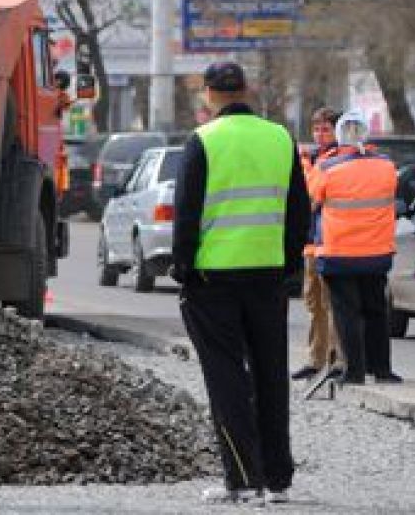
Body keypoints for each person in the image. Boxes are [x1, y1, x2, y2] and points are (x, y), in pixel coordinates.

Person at [170, 61, 310, 506]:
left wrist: (184, 271)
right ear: (246, 90)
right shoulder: (280, 139)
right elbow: (298, 212)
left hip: (214, 279)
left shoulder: (204, 141)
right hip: (267, 277)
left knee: (226, 376)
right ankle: (277, 480)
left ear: (209, 94)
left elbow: (187, 217)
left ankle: (242, 480)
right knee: (271, 374)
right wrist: (287, 267)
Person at [309, 109, 402, 386]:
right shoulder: (386, 166)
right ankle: (382, 369)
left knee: (347, 312)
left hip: (340, 253)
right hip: (377, 253)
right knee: (376, 309)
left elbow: (312, 199)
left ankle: (355, 371)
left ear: (338, 135)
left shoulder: (327, 167)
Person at [291, 106, 343, 381]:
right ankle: (316, 358)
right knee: (313, 304)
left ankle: (336, 360)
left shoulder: (338, 159)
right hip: (311, 243)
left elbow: (316, 198)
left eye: (326, 129)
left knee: (332, 302)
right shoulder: (309, 159)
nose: (320, 134)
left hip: (332, 242)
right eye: (317, 129)